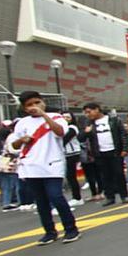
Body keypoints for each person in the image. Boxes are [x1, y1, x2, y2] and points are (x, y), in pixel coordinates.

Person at [9, 91, 79, 244]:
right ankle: (49, 232)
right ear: (24, 107)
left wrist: (44, 115)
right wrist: (21, 140)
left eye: (36, 102)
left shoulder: (56, 117)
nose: (33, 107)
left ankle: (71, 229)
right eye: (29, 105)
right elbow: (13, 145)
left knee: (55, 196)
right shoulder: (22, 123)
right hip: (31, 166)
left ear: (42, 102)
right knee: (41, 201)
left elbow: (60, 132)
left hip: (52, 164)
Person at [82, 103, 128, 206]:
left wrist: (125, 148)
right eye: (86, 113)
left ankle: (123, 196)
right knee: (105, 176)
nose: (88, 114)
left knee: (119, 174)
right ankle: (110, 197)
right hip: (100, 153)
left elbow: (124, 134)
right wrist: (86, 132)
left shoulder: (114, 120)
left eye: (89, 112)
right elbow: (81, 138)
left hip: (115, 151)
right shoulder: (89, 123)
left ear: (97, 109)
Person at [62, 112, 84, 207]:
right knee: (68, 176)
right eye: (63, 117)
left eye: (68, 117)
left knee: (71, 176)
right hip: (63, 154)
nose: (65, 119)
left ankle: (77, 197)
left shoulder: (72, 128)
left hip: (72, 154)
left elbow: (64, 139)